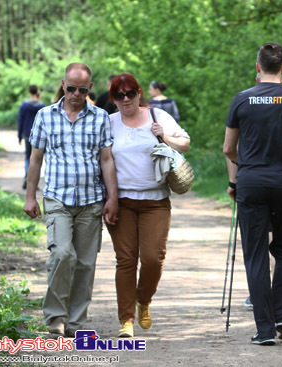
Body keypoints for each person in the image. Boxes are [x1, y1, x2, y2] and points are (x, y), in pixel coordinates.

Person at [223, 42, 282, 346]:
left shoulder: (241, 100)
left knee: (255, 255)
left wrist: (243, 172)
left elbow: (228, 149)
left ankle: (264, 331)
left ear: (258, 67)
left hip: (251, 182)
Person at [23, 62, 119, 337]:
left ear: (90, 88)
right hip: (58, 199)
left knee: (86, 263)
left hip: (91, 200)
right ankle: (55, 317)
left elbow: (106, 159)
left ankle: (76, 322)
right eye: (72, 88)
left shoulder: (100, 117)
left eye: (83, 89)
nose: (77, 93)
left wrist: (112, 198)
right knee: (63, 254)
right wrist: (31, 196)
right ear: (64, 85)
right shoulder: (45, 116)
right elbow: (35, 158)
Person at [106, 73, 190, 338]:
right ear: (113, 99)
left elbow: (185, 143)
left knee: (153, 258)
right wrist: (108, 200)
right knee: (126, 261)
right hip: (122, 203)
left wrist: (164, 136)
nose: (126, 99)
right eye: (119, 95)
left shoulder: (158, 117)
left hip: (155, 201)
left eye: (130, 93)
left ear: (139, 93)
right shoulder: (108, 123)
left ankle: (144, 300)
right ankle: (126, 320)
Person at [17, 85, 45, 189]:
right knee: (38, 159)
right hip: (40, 136)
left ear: (29, 92)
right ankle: (34, 183)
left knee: (28, 157)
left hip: (27, 134)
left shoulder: (24, 105)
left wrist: (19, 136)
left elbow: (20, 120)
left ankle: (26, 179)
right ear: (37, 92)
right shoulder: (42, 106)